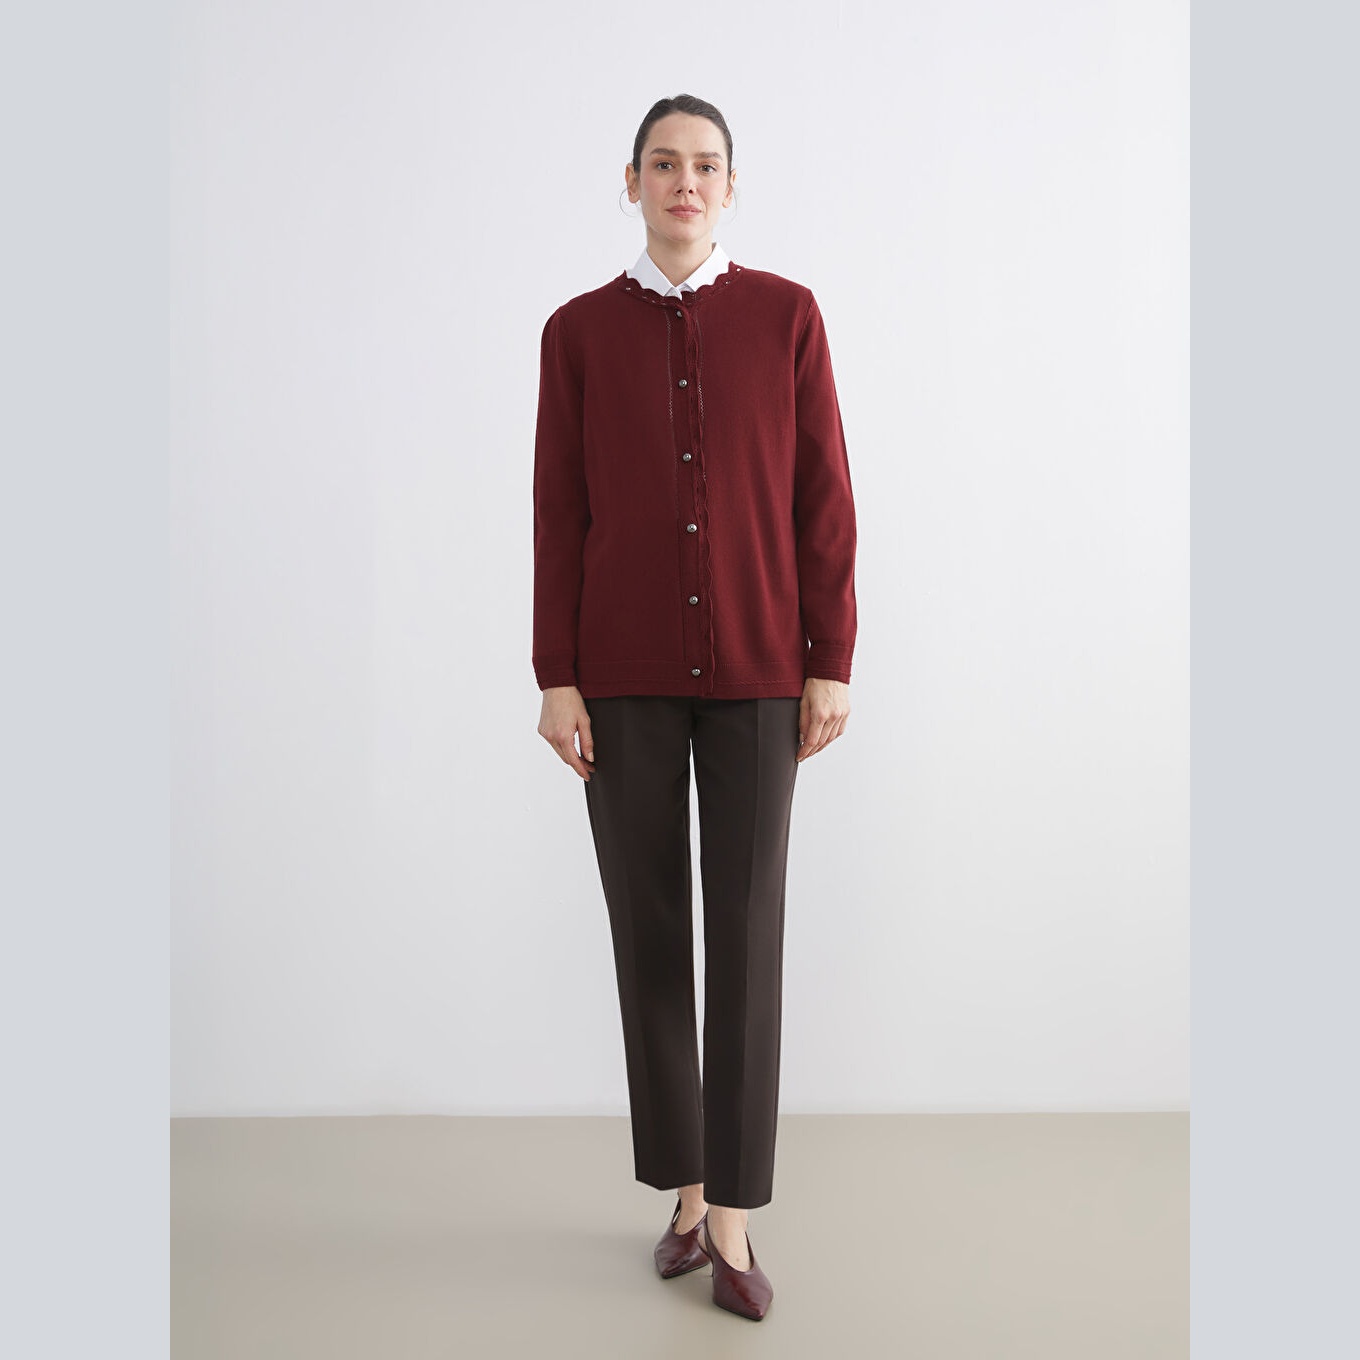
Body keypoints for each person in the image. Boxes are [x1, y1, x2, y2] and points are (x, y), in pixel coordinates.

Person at [532, 93, 858, 1321]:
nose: (684, 181)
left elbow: (823, 492)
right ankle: (682, 1189)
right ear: (631, 182)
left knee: (747, 934)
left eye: (705, 164)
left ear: (730, 186)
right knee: (649, 927)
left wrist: (829, 655)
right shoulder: (576, 331)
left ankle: (732, 1214)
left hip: (762, 670)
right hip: (617, 674)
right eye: (663, 163)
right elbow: (557, 508)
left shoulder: (786, 315)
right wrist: (554, 673)